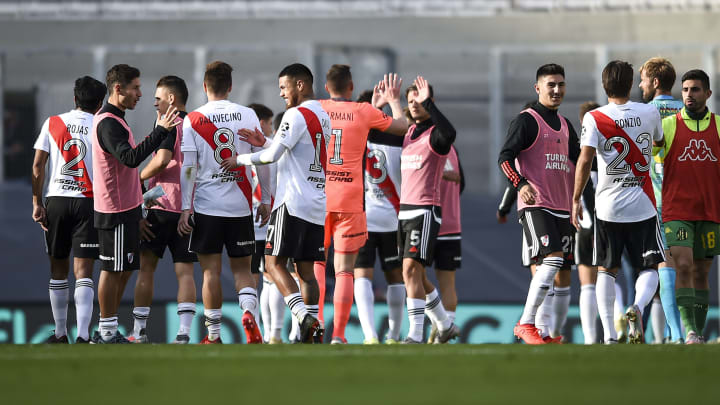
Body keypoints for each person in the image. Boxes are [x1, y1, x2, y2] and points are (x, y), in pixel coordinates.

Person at [221, 63, 328, 343]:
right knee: (306, 271)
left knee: (272, 263)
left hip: (291, 202)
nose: (281, 93)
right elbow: (295, 151)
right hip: (316, 203)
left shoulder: (295, 113)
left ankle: (304, 317)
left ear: (300, 85)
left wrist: (239, 159)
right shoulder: (323, 115)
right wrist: (265, 141)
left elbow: (272, 157)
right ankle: (312, 331)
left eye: (284, 87)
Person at [177, 61, 271, 344]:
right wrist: (264, 198)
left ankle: (214, 334)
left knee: (210, 271)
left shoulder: (192, 119)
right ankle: (248, 315)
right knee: (244, 270)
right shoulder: (248, 114)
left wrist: (185, 207)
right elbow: (263, 160)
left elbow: (189, 167)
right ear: (230, 87)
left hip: (207, 206)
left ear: (205, 87)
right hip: (241, 205)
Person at [572, 60, 665, 344]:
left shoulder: (594, 118)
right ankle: (636, 307)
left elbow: (585, 160)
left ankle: (610, 337)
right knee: (649, 267)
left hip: (608, 207)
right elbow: (659, 143)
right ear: (630, 84)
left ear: (604, 85)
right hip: (644, 205)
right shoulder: (649, 112)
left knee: (606, 270)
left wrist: (575, 198)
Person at [318, 65, 408, 344]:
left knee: (317, 265)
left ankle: (313, 326)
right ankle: (339, 335)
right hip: (353, 203)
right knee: (345, 269)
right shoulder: (363, 112)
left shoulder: (316, 108)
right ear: (351, 86)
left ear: (326, 87)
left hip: (319, 200)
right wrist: (390, 102)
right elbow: (403, 126)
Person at [91, 64, 179, 343]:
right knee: (112, 269)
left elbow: (126, 165)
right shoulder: (107, 122)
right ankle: (105, 330)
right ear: (118, 89)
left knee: (124, 268)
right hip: (114, 210)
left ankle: (108, 328)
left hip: (126, 207)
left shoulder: (117, 119)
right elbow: (129, 159)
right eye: (136, 88)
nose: (140, 94)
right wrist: (160, 131)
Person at [498, 64, 578, 345]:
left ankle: (543, 332)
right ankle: (526, 322)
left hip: (562, 207)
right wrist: (521, 184)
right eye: (550, 85)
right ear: (538, 88)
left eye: (561, 85)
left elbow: (581, 162)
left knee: (553, 267)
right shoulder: (526, 120)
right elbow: (505, 158)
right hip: (536, 204)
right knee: (552, 259)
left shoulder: (566, 125)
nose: (557, 90)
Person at [31, 76, 107, 343]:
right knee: (84, 272)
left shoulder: (53, 122)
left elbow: (38, 166)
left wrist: (36, 202)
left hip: (57, 200)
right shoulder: (102, 125)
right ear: (100, 103)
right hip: (90, 201)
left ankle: (61, 333)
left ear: (75, 98)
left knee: (58, 268)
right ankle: (84, 335)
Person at [125, 76, 198, 344]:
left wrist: (137, 180)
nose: (154, 102)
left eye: (158, 98)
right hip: (188, 208)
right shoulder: (196, 124)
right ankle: (185, 332)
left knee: (146, 268)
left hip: (160, 204)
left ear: (171, 99)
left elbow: (163, 160)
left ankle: (140, 330)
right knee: (186, 271)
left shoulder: (169, 124)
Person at [658, 69, 720, 344]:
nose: (688, 94)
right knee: (682, 265)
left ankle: (699, 331)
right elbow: (648, 154)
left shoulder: (718, 125)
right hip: (676, 210)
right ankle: (690, 331)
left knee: (700, 272)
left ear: (707, 93)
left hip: (710, 210)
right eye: (685, 89)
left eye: (695, 89)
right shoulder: (669, 125)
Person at [398, 77, 459, 344]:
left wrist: (429, 104)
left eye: (419, 101)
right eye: (410, 101)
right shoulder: (409, 133)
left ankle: (415, 334)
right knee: (417, 275)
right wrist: (385, 102)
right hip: (404, 210)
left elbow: (450, 134)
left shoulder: (435, 135)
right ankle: (444, 325)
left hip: (425, 209)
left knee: (411, 268)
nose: (414, 105)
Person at [350, 90, 406, 344]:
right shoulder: (400, 140)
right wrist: (394, 104)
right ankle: (393, 335)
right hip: (394, 219)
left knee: (362, 274)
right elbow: (402, 124)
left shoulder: (355, 140)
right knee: (396, 276)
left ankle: (370, 335)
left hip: (363, 219)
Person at [638, 57, 685, 344]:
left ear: (655, 82)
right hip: (692, 198)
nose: (640, 85)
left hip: (658, 200)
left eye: (643, 79)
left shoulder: (644, 114)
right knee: (692, 269)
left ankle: (677, 335)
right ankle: (681, 333)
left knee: (664, 266)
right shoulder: (690, 111)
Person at [426, 144, 464, 343]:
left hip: (425, 222)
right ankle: (444, 325)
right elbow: (461, 184)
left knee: (412, 276)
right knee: (448, 284)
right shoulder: (452, 148)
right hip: (451, 223)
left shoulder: (418, 145)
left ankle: (442, 323)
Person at [576, 101, 600, 344]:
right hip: (612, 219)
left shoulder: (581, 149)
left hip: (588, 222)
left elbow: (586, 187)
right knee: (608, 274)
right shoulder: (612, 146)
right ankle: (615, 331)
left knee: (588, 282)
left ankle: (592, 339)